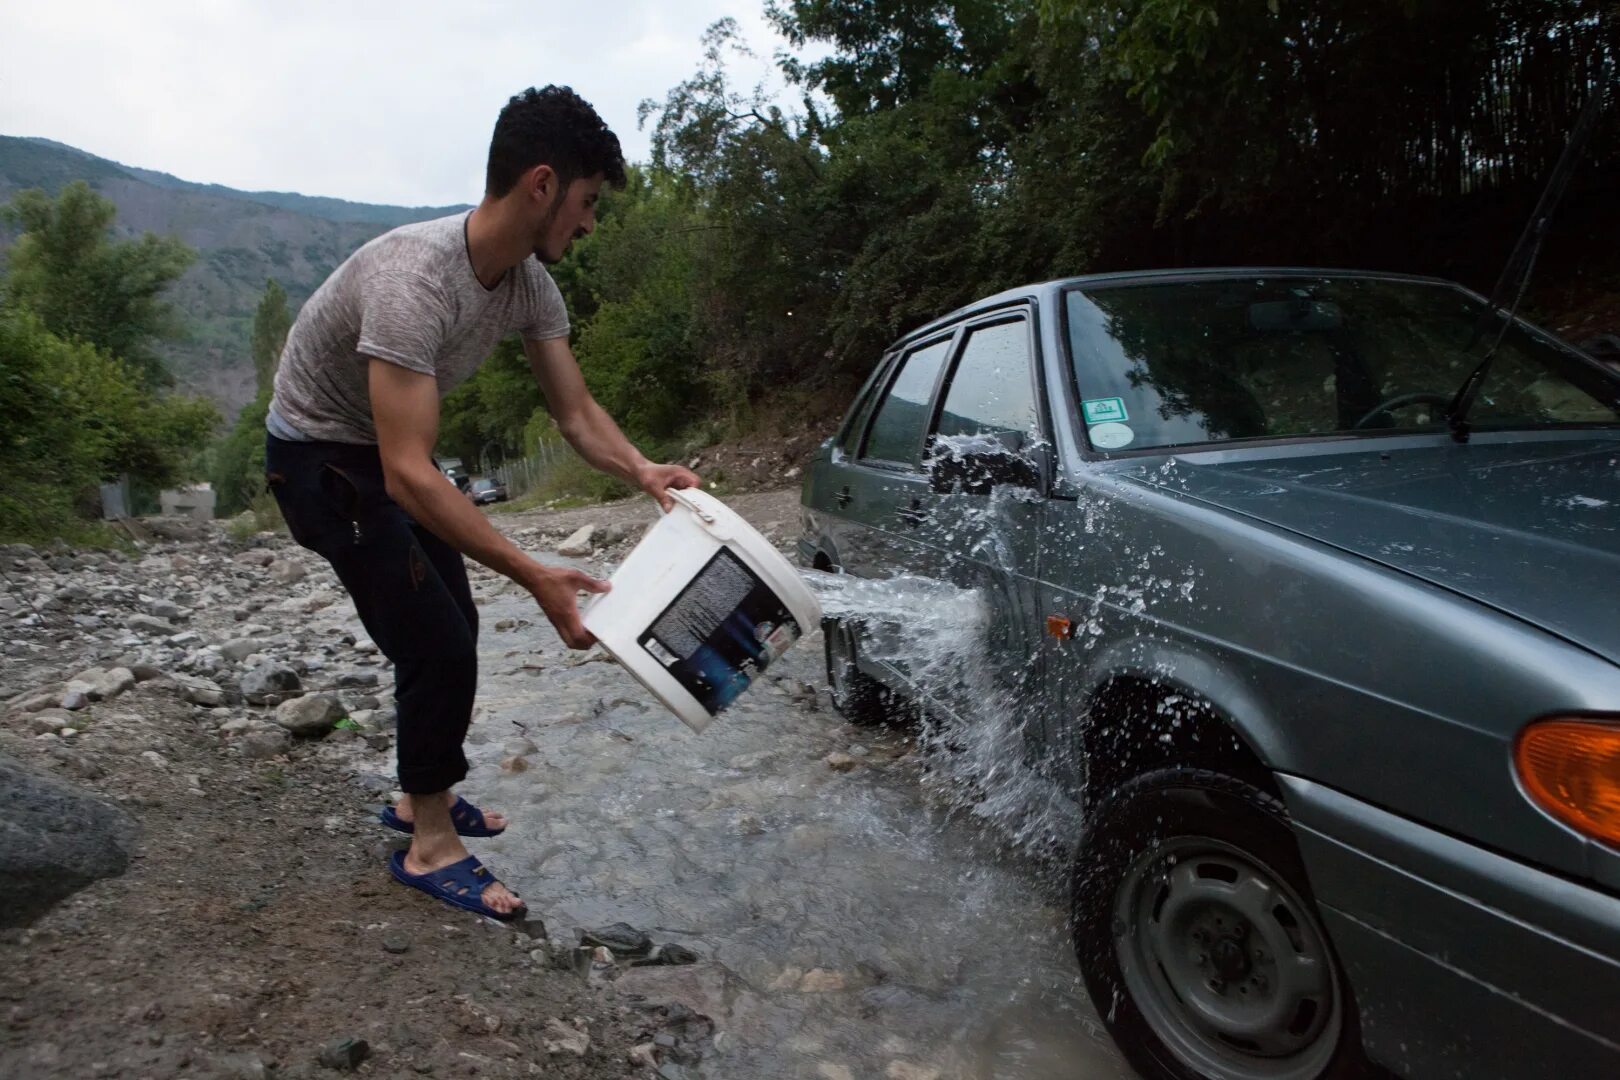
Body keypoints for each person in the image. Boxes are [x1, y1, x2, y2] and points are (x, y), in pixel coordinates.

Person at [262, 86, 699, 921]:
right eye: (588, 202)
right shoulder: (412, 282)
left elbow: (574, 414)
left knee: (454, 614)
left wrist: (644, 471)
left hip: (382, 453)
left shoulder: (530, 284)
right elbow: (408, 474)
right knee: (432, 637)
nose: (590, 223)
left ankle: (414, 794)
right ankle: (430, 847)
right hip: (319, 457)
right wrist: (535, 574)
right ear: (541, 185)